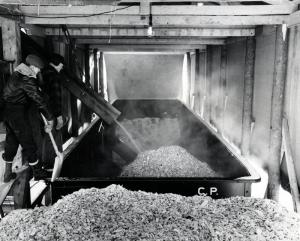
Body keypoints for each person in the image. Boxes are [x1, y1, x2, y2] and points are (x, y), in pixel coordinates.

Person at [2, 54, 54, 182]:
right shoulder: (27, 78)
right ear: (32, 67)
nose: (38, 72)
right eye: (37, 69)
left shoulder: (17, 73)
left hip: (7, 111)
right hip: (16, 113)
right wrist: (50, 118)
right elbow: (38, 99)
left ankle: (7, 173)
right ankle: (38, 172)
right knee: (28, 141)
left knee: (12, 141)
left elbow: (33, 92)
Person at [40, 54, 65, 170]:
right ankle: (51, 165)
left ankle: (48, 162)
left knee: (47, 136)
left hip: (43, 111)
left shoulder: (42, 73)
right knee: (53, 136)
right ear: (57, 63)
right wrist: (59, 116)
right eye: (61, 65)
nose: (62, 68)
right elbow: (56, 97)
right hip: (52, 112)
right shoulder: (54, 76)